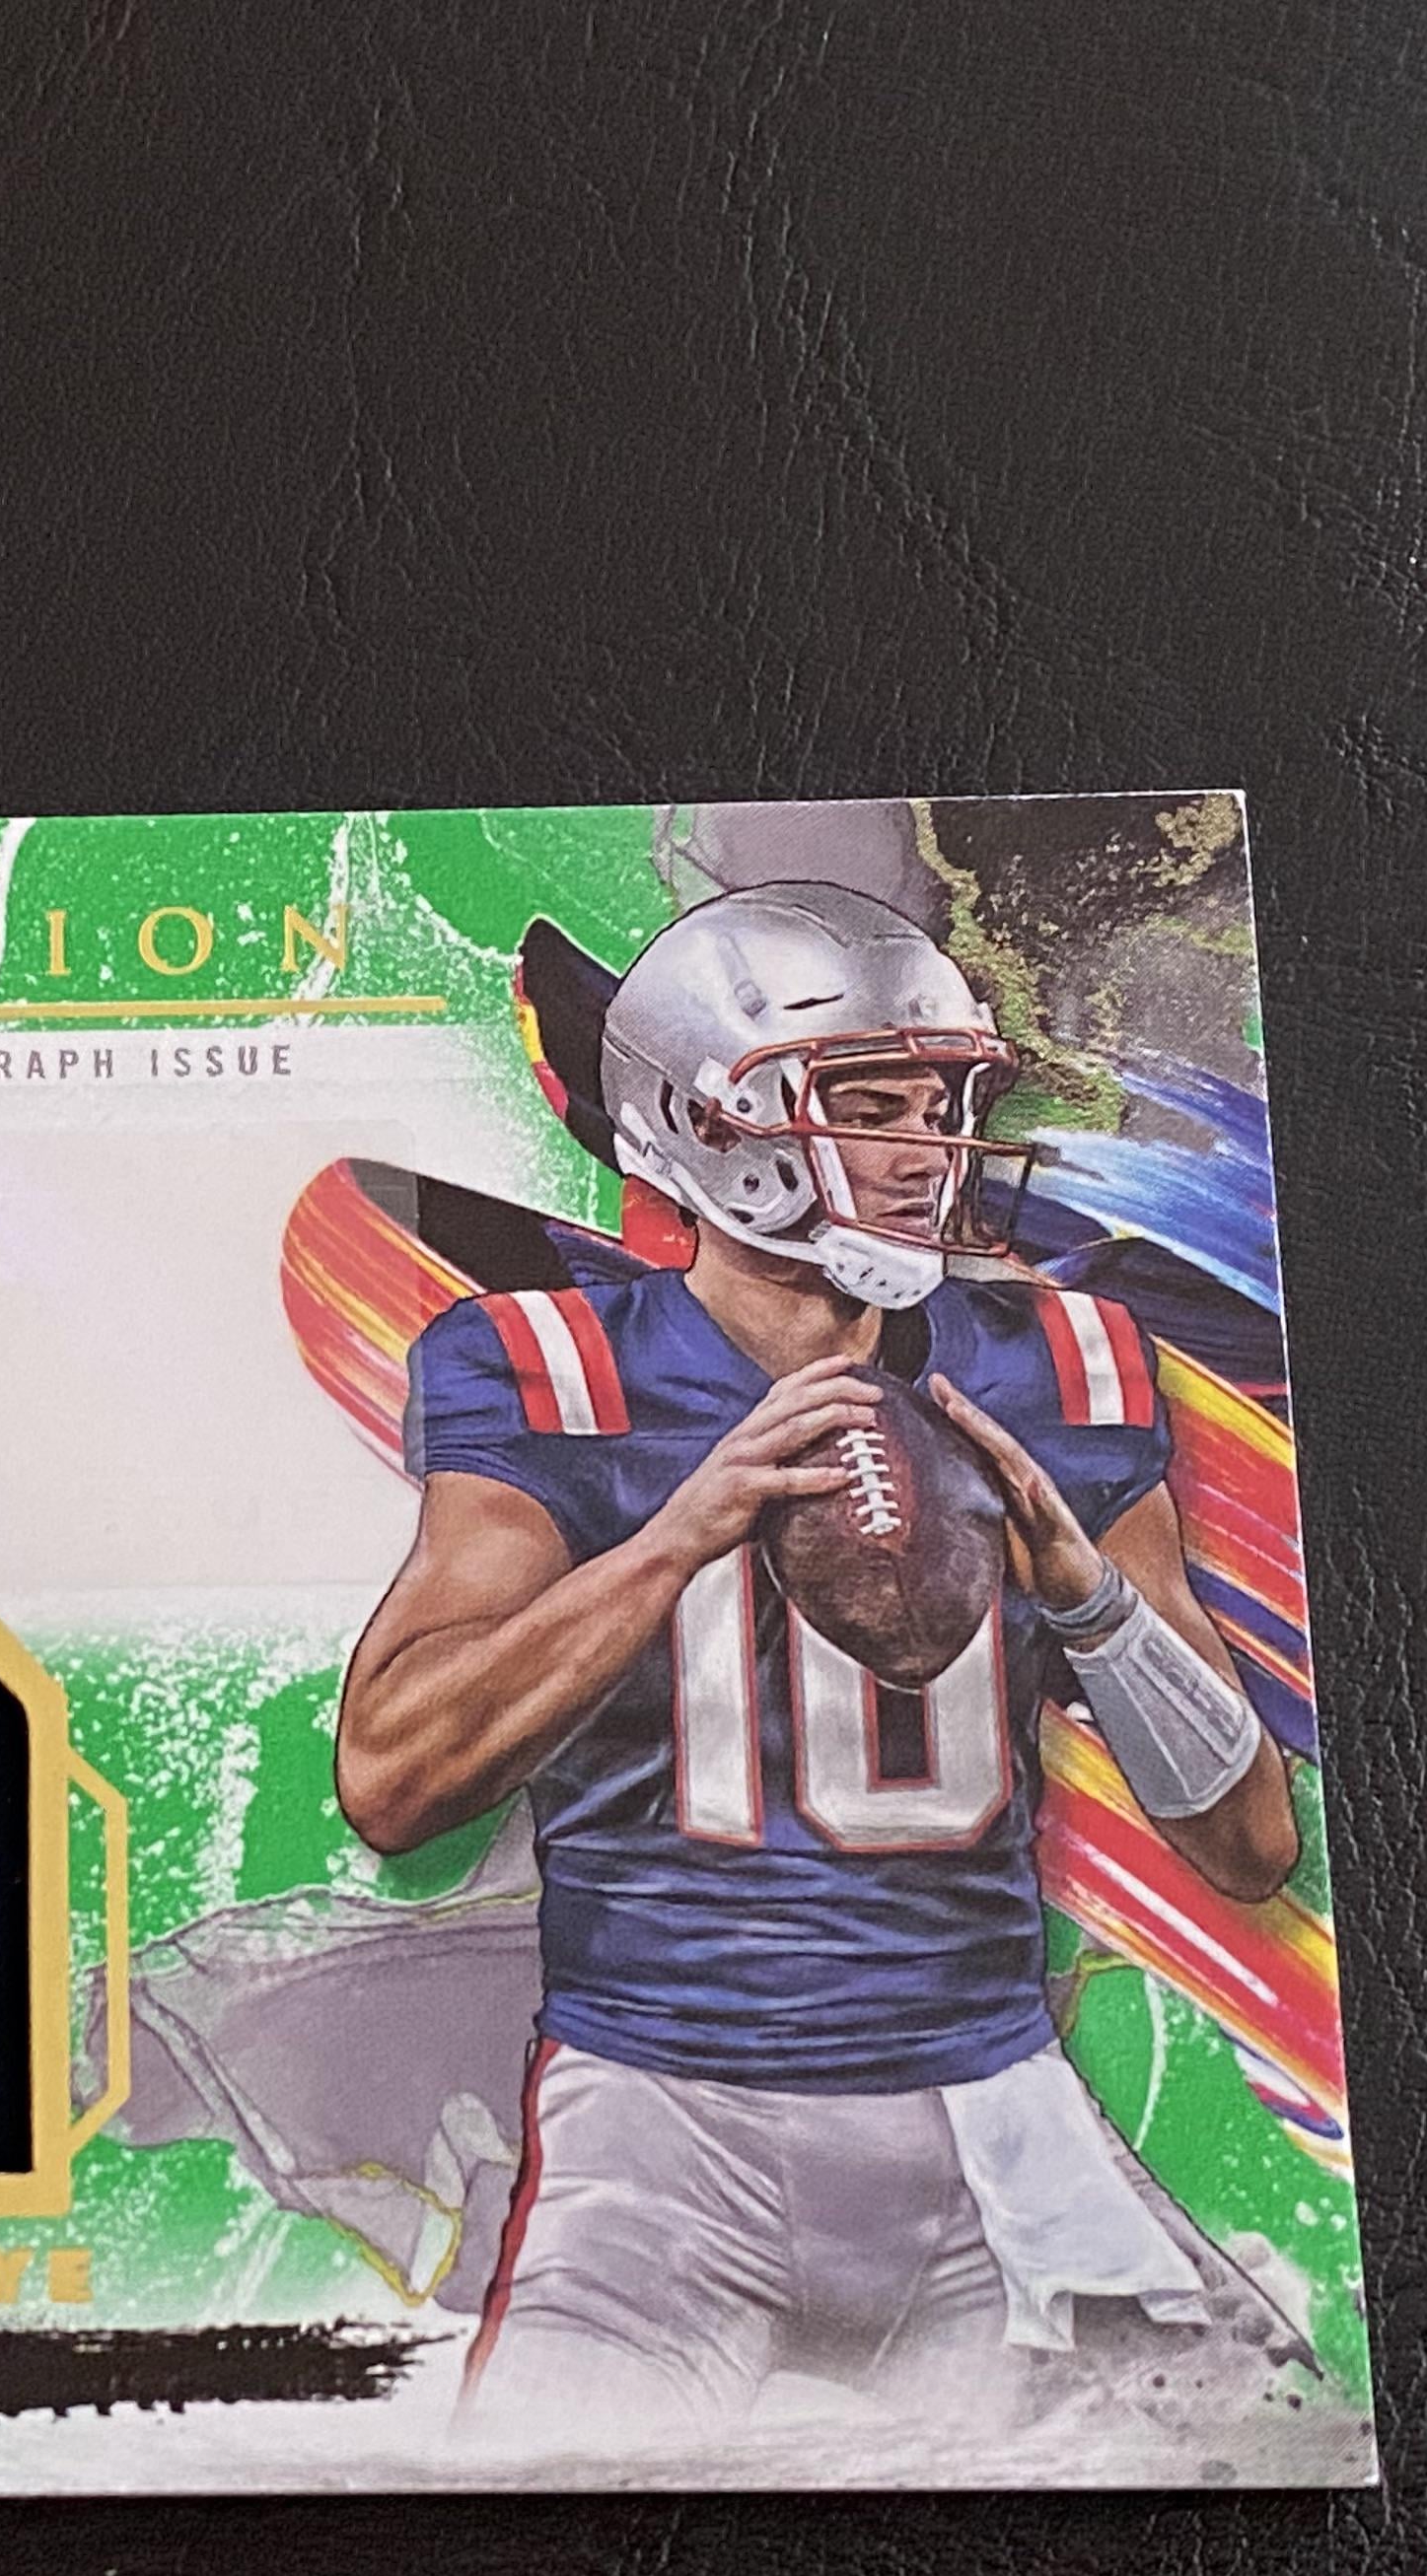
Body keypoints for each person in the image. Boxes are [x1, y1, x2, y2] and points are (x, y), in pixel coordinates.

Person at [334, 881, 1316, 2436]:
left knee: (1245, 2477)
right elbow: (393, 1783)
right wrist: (674, 1537)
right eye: (867, 1106)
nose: (927, 1153)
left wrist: (1090, 1601)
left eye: (941, 1105)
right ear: (702, 1122)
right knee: (533, 2511)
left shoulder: (1059, 1365)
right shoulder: (552, 1370)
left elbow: (1251, 1844)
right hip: (659, 2136)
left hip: (990, 2133)